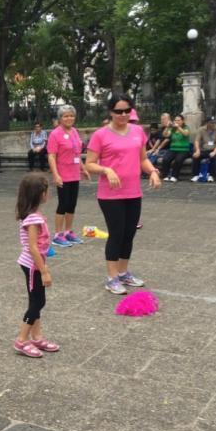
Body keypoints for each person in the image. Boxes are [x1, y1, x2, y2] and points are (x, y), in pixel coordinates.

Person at [84, 94, 161, 295]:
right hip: (110, 195)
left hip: (133, 191)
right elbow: (89, 164)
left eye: (127, 110)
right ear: (111, 112)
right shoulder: (100, 135)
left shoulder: (137, 131)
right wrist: (106, 170)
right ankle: (112, 278)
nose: (123, 114)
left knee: (129, 234)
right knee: (116, 234)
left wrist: (153, 171)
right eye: (119, 111)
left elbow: (143, 159)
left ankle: (123, 272)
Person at [14, 172, 60, 358]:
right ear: (40, 194)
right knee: (38, 302)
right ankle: (21, 340)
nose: (48, 193)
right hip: (33, 266)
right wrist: (44, 271)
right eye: (47, 190)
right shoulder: (33, 219)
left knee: (35, 301)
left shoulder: (32, 215)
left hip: (32, 264)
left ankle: (37, 336)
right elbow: (33, 248)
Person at [47, 104, 88, 248]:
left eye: (71, 116)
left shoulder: (75, 131)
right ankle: (57, 235)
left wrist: (83, 168)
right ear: (60, 118)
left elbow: (76, 153)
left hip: (74, 173)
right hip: (63, 174)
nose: (69, 118)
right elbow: (51, 156)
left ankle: (68, 231)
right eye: (65, 116)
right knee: (63, 204)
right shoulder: (55, 134)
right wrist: (56, 175)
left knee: (72, 204)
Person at [191, 116, 216, 182]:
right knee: (196, 156)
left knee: (214, 157)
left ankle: (211, 175)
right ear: (207, 123)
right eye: (211, 123)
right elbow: (197, 141)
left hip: (215, 149)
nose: (213, 124)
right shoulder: (201, 129)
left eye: (214, 122)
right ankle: (196, 175)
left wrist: (215, 151)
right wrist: (197, 151)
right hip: (204, 149)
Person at [160, 114, 190, 182]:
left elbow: (186, 134)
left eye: (178, 120)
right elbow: (165, 135)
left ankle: (174, 176)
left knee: (178, 160)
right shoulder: (172, 128)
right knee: (166, 159)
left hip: (183, 149)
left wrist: (178, 127)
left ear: (182, 121)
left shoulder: (186, 127)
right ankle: (165, 176)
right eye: (175, 120)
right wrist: (167, 127)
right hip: (173, 149)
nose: (177, 122)